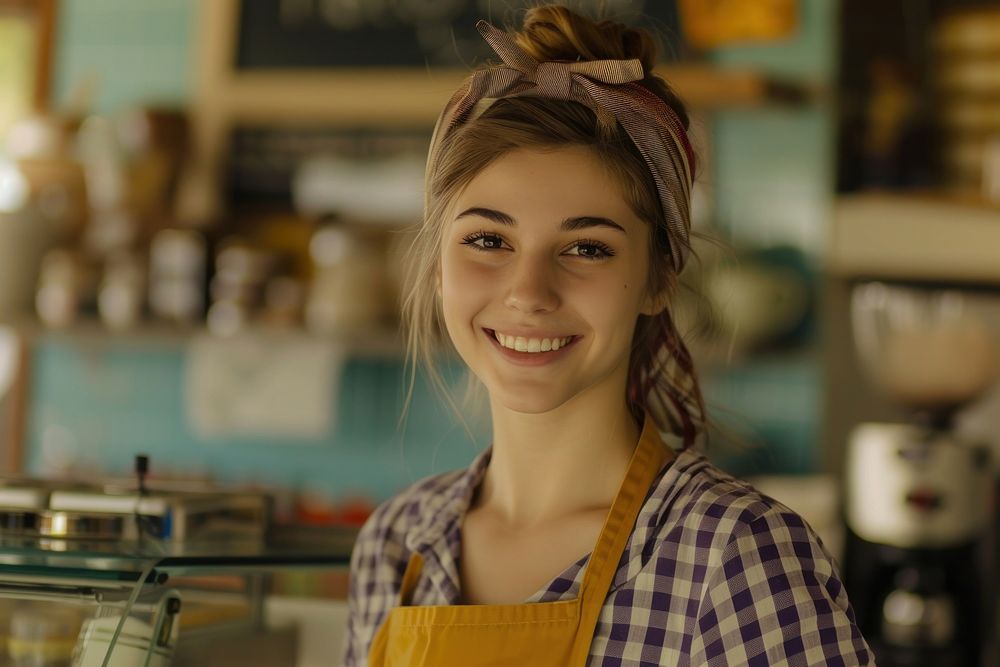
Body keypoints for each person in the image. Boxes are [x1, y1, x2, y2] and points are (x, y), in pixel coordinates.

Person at [344, 5, 873, 665]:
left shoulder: (736, 557)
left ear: (658, 279)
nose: (529, 292)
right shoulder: (396, 544)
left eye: (588, 248)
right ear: (437, 268)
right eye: (488, 239)